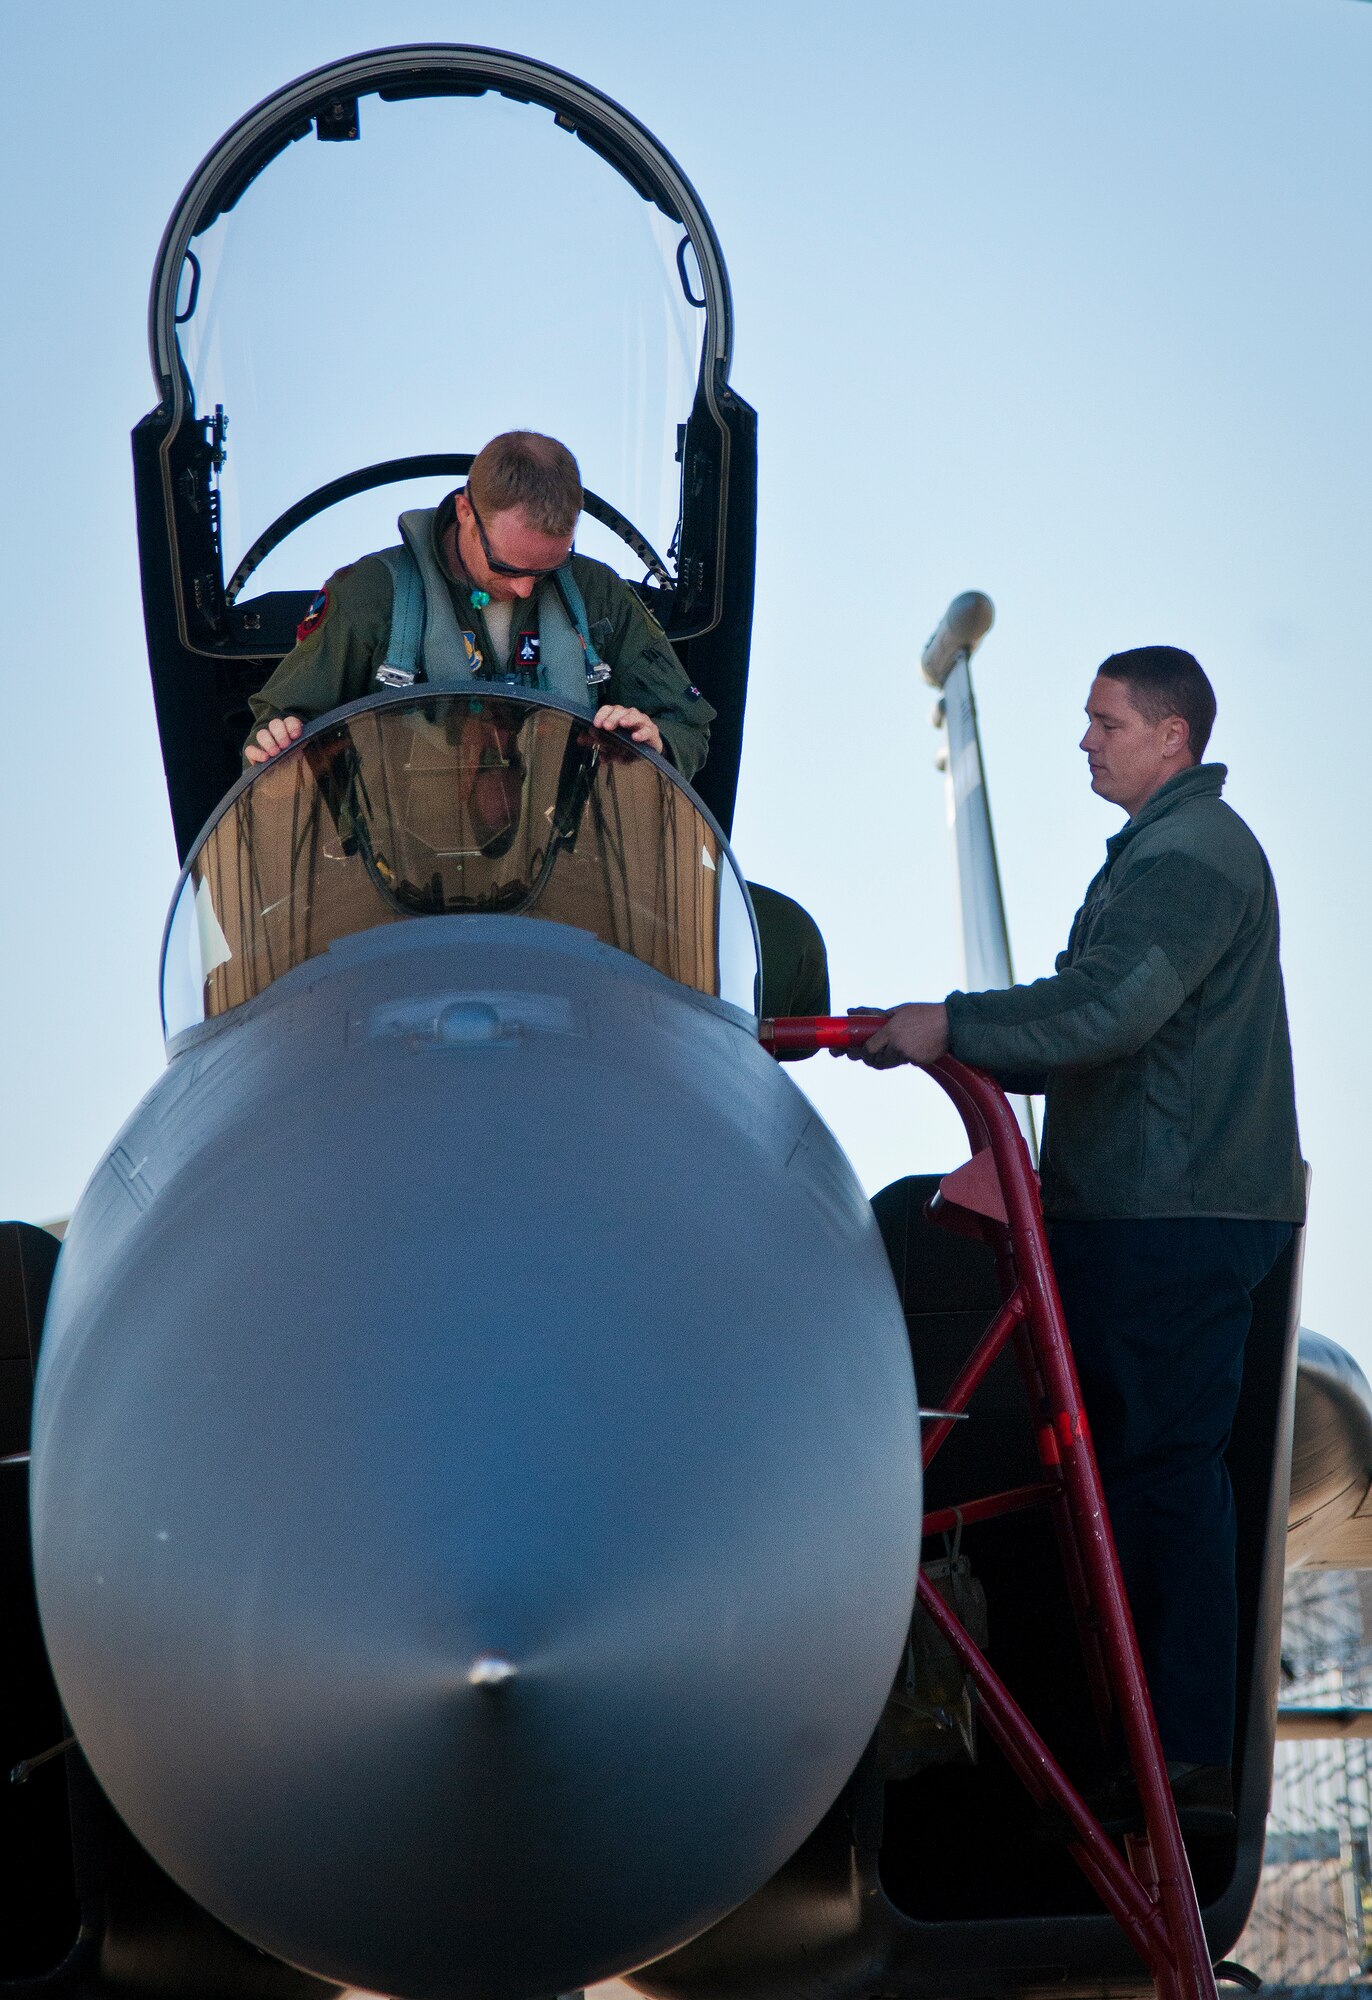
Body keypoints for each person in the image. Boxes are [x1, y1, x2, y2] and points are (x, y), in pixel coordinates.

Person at [849, 646, 1304, 1832]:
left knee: (1160, 1481)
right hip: (1138, 1214)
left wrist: (948, 1021)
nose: (1087, 740)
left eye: (1105, 721)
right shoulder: (1153, 856)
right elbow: (1081, 1023)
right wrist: (943, 1037)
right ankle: (1144, 1750)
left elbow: (1109, 1006)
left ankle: (1185, 1759)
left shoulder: (1192, 856)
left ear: (1173, 737)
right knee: (1126, 1479)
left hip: (1174, 1220)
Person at [245, 431, 715, 779]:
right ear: (465, 511)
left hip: (568, 883)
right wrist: (280, 751)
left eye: (547, 569)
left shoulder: (598, 597)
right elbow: (269, 739)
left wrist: (657, 741)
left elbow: (689, 726)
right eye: (509, 568)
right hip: (390, 886)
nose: (528, 589)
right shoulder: (372, 597)